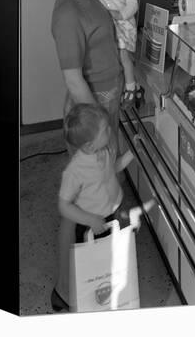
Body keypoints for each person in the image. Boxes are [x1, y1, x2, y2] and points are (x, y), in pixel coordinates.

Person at [51, 0, 124, 311]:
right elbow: (74, 78)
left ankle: (92, 278)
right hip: (89, 119)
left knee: (95, 194)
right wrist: (101, 133)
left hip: (104, 107)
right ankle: (65, 290)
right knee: (78, 204)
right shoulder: (67, 11)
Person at [51, 103, 133, 312]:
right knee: (90, 265)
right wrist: (90, 220)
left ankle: (108, 294)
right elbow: (64, 206)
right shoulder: (75, 171)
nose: (110, 131)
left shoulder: (103, 151)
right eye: (105, 129)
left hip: (111, 214)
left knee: (108, 258)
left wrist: (133, 153)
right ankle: (86, 301)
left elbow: (111, 170)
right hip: (91, 224)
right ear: (88, 145)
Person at [92, 0, 144, 107]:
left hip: (123, 27)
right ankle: (134, 86)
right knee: (113, 59)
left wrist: (120, 14)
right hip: (108, 28)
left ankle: (130, 87)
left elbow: (133, 4)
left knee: (123, 55)